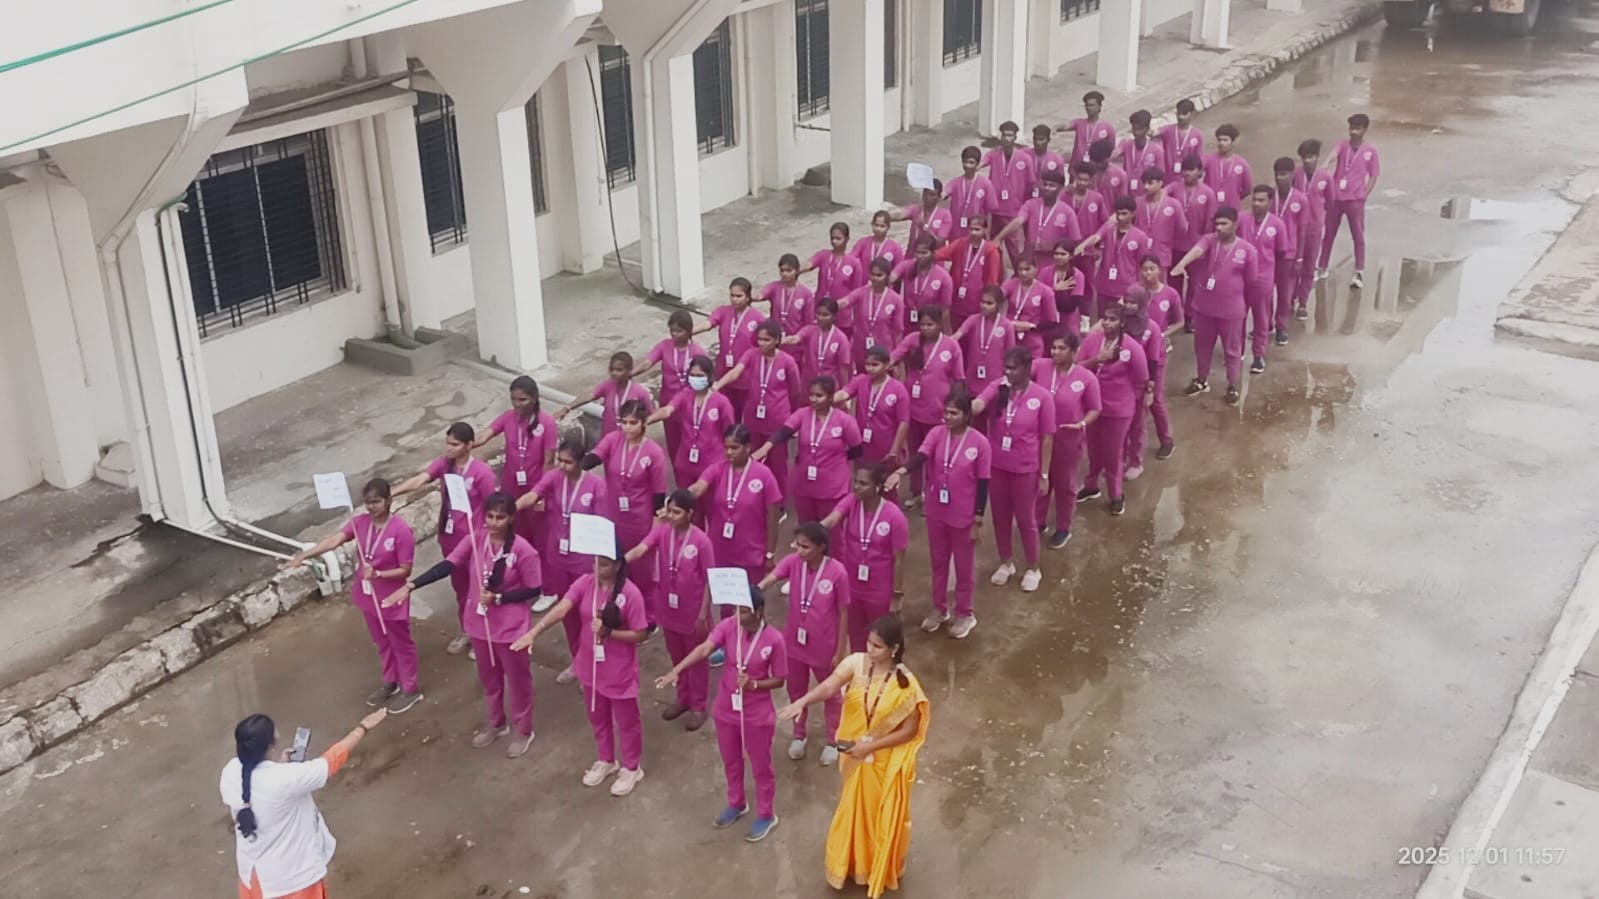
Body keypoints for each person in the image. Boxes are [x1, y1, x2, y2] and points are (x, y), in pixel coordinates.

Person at [779, 616, 930, 899]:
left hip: (883, 761)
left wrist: (872, 746)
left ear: (894, 649)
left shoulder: (906, 683)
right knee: (853, 809)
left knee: (878, 816)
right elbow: (829, 686)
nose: (870, 650)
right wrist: (803, 701)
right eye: (869, 643)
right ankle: (851, 865)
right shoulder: (856, 663)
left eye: (878, 646)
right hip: (853, 756)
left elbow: (910, 730)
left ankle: (876, 867)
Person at [396, 493, 541, 756]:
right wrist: (412, 585)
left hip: (511, 629)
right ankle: (496, 723)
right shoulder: (475, 540)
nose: (493, 523)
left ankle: (524, 729)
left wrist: (500, 598)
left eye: (500, 517)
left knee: (519, 682)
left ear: (511, 519)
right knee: (489, 679)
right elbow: (448, 565)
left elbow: (534, 589)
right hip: (479, 625)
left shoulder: (523, 550)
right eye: (490, 516)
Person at [514, 543, 649, 795]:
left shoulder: (630, 594)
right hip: (589, 665)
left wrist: (610, 633)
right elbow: (562, 608)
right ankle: (606, 759)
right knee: (597, 716)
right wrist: (535, 631)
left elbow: (640, 634)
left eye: (604, 564)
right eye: (595, 561)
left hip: (618, 669)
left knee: (627, 722)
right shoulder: (585, 583)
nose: (597, 568)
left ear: (617, 565)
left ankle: (632, 767)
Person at [661, 589, 790, 846]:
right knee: (730, 760)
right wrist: (678, 669)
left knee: (761, 767)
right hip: (726, 708)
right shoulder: (729, 626)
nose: (739, 616)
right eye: (737, 610)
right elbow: (705, 648)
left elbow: (779, 680)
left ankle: (766, 814)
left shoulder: (774, 640)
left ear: (759, 611)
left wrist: (754, 684)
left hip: (756, 714)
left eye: (745, 611)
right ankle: (736, 802)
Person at [284, 479, 421, 713]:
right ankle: (391, 681)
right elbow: (334, 540)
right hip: (368, 596)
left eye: (376, 501)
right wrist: (305, 556)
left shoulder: (401, 530)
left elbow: (405, 570)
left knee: (401, 643)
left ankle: (411, 688)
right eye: (367, 502)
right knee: (381, 641)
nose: (371, 507)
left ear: (388, 500)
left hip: (392, 595)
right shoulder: (360, 523)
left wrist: (378, 574)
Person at [222, 708, 389, 899]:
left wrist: (281, 766)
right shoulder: (287, 779)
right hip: (293, 882)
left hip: (254, 879)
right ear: (271, 744)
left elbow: (263, 786)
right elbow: (330, 762)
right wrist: (362, 728)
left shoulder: (230, 772)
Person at [884, 395, 991, 637]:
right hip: (937, 512)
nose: (948, 417)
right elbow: (921, 456)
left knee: (964, 568)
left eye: (954, 413)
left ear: (966, 415)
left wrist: (978, 518)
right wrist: (901, 471)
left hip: (964, 515)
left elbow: (983, 482)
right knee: (939, 562)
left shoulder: (980, 443)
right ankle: (939, 608)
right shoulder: (936, 434)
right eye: (946, 412)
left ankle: (965, 613)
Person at [392, 422, 496, 657]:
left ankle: (483, 634)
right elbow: (421, 479)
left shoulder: (482, 473)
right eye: (447, 443)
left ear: (469, 445)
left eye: (455, 444)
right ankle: (466, 629)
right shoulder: (444, 465)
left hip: (475, 540)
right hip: (450, 538)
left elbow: (494, 507)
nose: (449, 448)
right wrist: (392, 493)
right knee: (460, 588)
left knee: (478, 587)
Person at [516, 436, 608, 683]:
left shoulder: (596, 486)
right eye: (560, 460)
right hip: (558, 557)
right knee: (567, 614)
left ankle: (595, 660)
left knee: (588, 613)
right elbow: (534, 494)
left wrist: (602, 564)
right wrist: (512, 507)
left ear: (580, 462)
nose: (562, 466)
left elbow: (602, 527)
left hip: (584, 562)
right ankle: (577, 660)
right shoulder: (555, 477)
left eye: (568, 462)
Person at [759, 522, 851, 766]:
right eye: (797, 545)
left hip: (824, 645)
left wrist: (840, 650)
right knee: (796, 690)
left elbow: (844, 613)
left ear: (821, 547)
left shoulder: (837, 572)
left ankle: (833, 739)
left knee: (830, 693)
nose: (799, 551)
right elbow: (771, 578)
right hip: (794, 644)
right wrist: (754, 590)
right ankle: (799, 734)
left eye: (805, 547)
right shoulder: (793, 563)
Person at [971, 346, 1055, 592]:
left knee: (1026, 519)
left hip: (1025, 468)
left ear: (1027, 368)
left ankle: (1033, 567)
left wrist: (1044, 474)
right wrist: (967, 405)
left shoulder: (1042, 397)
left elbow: (1047, 438)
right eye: (1005, 368)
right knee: (1000, 517)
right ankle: (1006, 562)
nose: (1008, 372)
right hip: (997, 465)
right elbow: (978, 405)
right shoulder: (998, 387)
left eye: (1013, 368)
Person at [630, 490, 714, 731]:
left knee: (696, 660)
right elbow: (642, 548)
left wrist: (703, 614)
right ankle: (683, 697)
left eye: (676, 512)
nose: (671, 516)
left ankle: (698, 706)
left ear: (690, 513)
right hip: (667, 607)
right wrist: (619, 560)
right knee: (676, 656)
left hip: (693, 611)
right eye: (669, 511)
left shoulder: (701, 541)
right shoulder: (662, 531)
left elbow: (710, 580)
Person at [583, 401, 669, 616]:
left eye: (633, 423)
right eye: (624, 422)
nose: (627, 427)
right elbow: (595, 457)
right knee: (618, 569)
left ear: (644, 423)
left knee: (642, 572)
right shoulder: (613, 440)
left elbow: (659, 494)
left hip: (640, 521)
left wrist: (655, 527)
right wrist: (576, 463)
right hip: (613, 518)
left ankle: (649, 616)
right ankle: (623, 611)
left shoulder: (654, 453)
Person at [1172, 206, 1258, 406]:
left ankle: (1232, 386)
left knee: (1232, 350)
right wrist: (1182, 264)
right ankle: (1201, 380)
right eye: (1216, 224)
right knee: (1202, 347)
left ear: (1235, 225)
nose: (1219, 228)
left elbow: (1251, 280)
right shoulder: (1210, 240)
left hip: (1231, 311)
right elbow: (1197, 250)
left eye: (1224, 224)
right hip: (1204, 308)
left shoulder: (1247, 250)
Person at [821, 464, 909, 650]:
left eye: (863, 483)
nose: (856, 487)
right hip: (853, 586)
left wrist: (896, 595)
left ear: (877, 486)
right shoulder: (851, 502)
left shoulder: (894, 517)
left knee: (880, 639)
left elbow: (899, 560)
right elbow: (832, 519)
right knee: (856, 636)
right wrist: (812, 532)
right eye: (855, 481)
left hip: (879, 590)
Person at [688, 425, 785, 586]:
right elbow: (698, 488)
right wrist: (678, 499)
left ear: (747, 447)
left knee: (749, 598)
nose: (729, 452)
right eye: (726, 447)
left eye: (734, 447)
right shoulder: (718, 469)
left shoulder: (764, 475)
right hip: (721, 550)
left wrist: (770, 554)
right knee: (723, 598)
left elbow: (772, 518)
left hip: (751, 552)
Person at [1077, 304, 1148, 516]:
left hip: (1118, 409)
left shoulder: (1132, 348)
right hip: (1092, 405)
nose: (1107, 323)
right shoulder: (1093, 340)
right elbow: (1077, 367)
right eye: (1105, 318)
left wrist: (1128, 399)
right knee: (1093, 449)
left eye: (1112, 319)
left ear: (1122, 323)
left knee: (1113, 453)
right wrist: (1097, 359)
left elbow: (1142, 378)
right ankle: (1091, 486)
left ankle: (1116, 495)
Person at [889, 307, 964, 507]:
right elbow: (893, 357)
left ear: (939, 325)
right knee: (915, 452)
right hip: (913, 409)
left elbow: (958, 379)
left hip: (938, 411)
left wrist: (956, 407)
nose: (925, 328)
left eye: (930, 324)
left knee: (935, 456)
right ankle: (916, 493)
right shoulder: (912, 340)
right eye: (922, 324)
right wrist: (890, 367)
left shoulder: (951, 346)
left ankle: (934, 494)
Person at [717, 320, 803, 487]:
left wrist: (792, 418)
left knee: (778, 465)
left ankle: (778, 499)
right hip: (753, 420)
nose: (762, 343)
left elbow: (795, 392)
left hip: (777, 421)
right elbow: (736, 371)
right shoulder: (752, 354)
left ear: (777, 340)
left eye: (766, 340)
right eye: (760, 339)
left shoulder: (787, 362)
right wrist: (718, 385)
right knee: (752, 459)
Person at [1033, 334, 1100, 548]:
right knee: (1041, 479)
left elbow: (1095, 409)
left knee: (1065, 485)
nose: (1055, 352)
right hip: (1040, 438)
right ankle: (1038, 521)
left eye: (1061, 348)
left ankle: (1063, 527)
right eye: (1053, 347)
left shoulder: (1086, 378)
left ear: (1074, 351)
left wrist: (1081, 424)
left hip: (1068, 440)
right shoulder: (1040, 366)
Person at [649, 355, 736, 492]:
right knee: (686, 500)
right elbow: (667, 410)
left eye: (700, 375)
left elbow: (730, 432)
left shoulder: (721, 402)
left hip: (711, 462)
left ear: (709, 376)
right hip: (686, 461)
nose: (695, 378)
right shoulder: (685, 395)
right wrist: (647, 420)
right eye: (693, 375)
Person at [632, 311, 707, 461]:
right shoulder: (664, 346)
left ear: (689, 331)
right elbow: (648, 362)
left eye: (679, 331)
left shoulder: (697, 352)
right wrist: (632, 372)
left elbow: (706, 377)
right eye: (672, 330)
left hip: (689, 403)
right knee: (673, 441)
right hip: (668, 401)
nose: (674, 334)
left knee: (690, 438)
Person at [1319, 113, 1380, 289]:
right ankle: (1322, 267)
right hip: (1336, 198)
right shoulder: (1342, 145)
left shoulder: (1370, 151)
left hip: (1355, 200)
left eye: (1357, 129)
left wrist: (1364, 194)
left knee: (1358, 236)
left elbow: (1374, 175)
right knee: (1329, 234)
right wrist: (1326, 163)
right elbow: (1334, 154)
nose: (1353, 132)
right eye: (1352, 128)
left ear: (1364, 130)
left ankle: (1359, 271)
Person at [1237, 185, 1291, 375]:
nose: (1256, 204)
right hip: (1241, 277)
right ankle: (1237, 351)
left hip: (1263, 280)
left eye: (1261, 200)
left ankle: (1258, 356)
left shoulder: (1277, 225)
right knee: (1238, 316)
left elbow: (1281, 252)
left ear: (1270, 202)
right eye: (1254, 200)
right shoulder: (1242, 219)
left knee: (1261, 319)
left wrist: (1273, 277)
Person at [1074, 195, 1154, 319]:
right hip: (1104, 285)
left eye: (1124, 214)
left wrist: (1139, 287)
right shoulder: (1108, 229)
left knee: (1123, 322)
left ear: (1133, 214)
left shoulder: (1140, 237)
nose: (1120, 217)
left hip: (1126, 288)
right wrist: (1082, 245)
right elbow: (1096, 237)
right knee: (1103, 320)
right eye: (1118, 213)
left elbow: (1142, 264)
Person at [700, 277, 768, 419]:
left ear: (748, 297)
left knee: (746, 415)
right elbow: (708, 324)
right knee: (726, 414)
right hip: (723, 373)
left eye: (739, 296)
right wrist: (689, 331)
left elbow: (764, 345)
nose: (735, 299)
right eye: (732, 295)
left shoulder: (757, 318)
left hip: (746, 377)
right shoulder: (723, 311)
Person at [994, 167, 1081, 274]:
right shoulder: (1031, 204)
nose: (1047, 188)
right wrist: (999, 237)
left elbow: (1075, 241)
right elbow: (1018, 221)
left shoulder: (1068, 212)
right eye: (1045, 184)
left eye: (1052, 186)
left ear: (1060, 188)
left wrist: (1054, 247)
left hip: (1053, 265)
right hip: (1031, 263)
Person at [1119, 291, 1167, 482]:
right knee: (1120, 424)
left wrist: (1149, 389)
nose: (1129, 306)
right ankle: (1119, 460)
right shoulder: (1120, 322)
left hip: (1141, 380)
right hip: (1122, 380)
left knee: (1137, 425)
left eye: (1133, 302)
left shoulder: (1151, 328)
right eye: (1126, 301)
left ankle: (1136, 462)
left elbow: (1153, 360)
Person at [837, 347, 911, 469]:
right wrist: (827, 400)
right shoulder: (861, 380)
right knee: (861, 477)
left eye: (875, 365)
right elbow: (844, 393)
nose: (870, 368)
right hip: (862, 446)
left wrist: (894, 451)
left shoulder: (898, 389)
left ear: (887, 365)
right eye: (867, 364)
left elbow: (903, 422)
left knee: (884, 479)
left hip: (886, 448)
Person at [1269, 158, 1313, 346]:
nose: (1280, 178)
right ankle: (1266, 324)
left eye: (1284, 174)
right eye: (1277, 174)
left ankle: (1281, 327)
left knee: (1285, 293)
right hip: (1269, 252)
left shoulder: (1301, 200)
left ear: (1292, 175)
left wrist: (1300, 257)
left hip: (1289, 253)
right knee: (1266, 291)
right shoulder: (1270, 197)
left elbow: (1302, 230)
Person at [559, 351, 655, 437]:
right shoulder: (608, 385)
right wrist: (567, 408)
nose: (614, 373)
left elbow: (650, 415)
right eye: (611, 369)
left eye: (619, 370)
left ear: (629, 370)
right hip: (608, 439)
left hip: (629, 441)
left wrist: (636, 428)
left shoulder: (640, 392)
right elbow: (590, 395)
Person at [933, 215, 1004, 328]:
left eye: (977, 229)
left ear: (985, 230)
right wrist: (925, 255)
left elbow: (992, 280)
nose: (973, 233)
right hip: (957, 299)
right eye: (971, 229)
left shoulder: (991, 251)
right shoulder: (960, 244)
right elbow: (941, 254)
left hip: (977, 302)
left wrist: (988, 304)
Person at [1169, 154, 1217, 321]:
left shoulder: (1208, 193)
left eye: (1191, 170)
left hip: (1196, 246)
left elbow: (1210, 220)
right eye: (1185, 170)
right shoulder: (1175, 188)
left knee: (1194, 284)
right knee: (1174, 281)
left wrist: (1204, 244)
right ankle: (1175, 315)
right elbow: (1161, 194)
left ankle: (1190, 316)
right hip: (1176, 244)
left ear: (1200, 172)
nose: (1187, 173)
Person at [980, 121, 1035, 265]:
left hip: (1012, 211)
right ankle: (996, 274)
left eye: (1010, 135)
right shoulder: (994, 154)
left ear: (1015, 137)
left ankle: (1019, 273)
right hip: (994, 209)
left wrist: (1022, 205)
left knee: (1014, 250)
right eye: (1004, 135)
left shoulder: (1025, 158)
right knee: (991, 246)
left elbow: (1030, 183)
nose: (1006, 138)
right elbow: (982, 162)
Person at [1294, 138, 1335, 316]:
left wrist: (1319, 216)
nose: (1307, 161)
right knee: (1294, 264)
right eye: (1304, 157)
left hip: (1314, 228)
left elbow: (1330, 202)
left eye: (1310, 157)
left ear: (1317, 157)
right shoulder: (1296, 174)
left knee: (1309, 265)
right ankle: (1290, 298)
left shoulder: (1325, 177)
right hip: (1296, 227)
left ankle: (1303, 303)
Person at [838, 258, 906, 366]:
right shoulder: (860, 293)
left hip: (883, 353)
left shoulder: (896, 300)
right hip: (861, 350)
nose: (875, 278)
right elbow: (845, 301)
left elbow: (898, 332)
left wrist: (897, 359)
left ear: (887, 276)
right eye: (873, 274)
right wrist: (829, 305)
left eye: (879, 275)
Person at [804, 222, 867, 336]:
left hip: (842, 315)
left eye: (838, 238)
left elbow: (856, 293)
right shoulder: (823, 255)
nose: (834, 241)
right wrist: (794, 270)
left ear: (847, 239)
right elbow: (809, 264)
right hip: (821, 312)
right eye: (832, 238)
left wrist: (857, 319)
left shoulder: (854, 263)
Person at [893, 236, 955, 333]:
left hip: (930, 326)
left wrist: (947, 334)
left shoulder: (944, 278)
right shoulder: (907, 266)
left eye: (924, 253)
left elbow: (945, 311)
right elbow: (893, 275)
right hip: (908, 322)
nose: (920, 256)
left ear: (933, 253)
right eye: (917, 252)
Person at [1001, 256, 1058, 357]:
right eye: (1020, 269)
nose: (1023, 273)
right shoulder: (1010, 284)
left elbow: (1052, 321)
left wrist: (1030, 327)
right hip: (1010, 334)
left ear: (1036, 269)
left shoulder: (1045, 291)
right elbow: (996, 297)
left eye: (1027, 269)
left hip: (1033, 337)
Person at [1135, 167, 1188, 275]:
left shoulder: (1173, 205)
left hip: (1162, 254)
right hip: (1139, 254)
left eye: (1150, 183)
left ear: (1160, 183)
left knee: (1160, 283)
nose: (1146, 186)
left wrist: (1167, 241)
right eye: (1144, 183)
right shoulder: (1137, 203)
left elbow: (1182, 229)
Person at [760, 253, 815, 342]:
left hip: (796, 343)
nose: (784, 274)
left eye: (789, 271)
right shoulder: (774, 287)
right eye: (782, 270)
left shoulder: (806, 294)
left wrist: (798, 336)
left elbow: (809, 324)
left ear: (797, 271)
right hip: (775, 341)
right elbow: (760, 295)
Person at [944, 145, 997, 236]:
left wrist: (987, 231)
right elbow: (944, 193)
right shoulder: (955, 182)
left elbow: (989, 211)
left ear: (977, 164)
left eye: (971, 162)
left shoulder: (986, 184)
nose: (967, 165)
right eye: (965, 162)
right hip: (955, 231)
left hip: (975, 232)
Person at [887, 180, 954, 251]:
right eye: (926, 193)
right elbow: (899, 214)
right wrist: (884, 215)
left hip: (932, 256)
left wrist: (924, 228)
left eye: (932, 194)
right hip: (912, 255)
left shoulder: (945, 215)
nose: (927, 197)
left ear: (939, 197)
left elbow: (939, 243)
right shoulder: (915, 209)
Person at [1059, 90, 1117, 168]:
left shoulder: (1108, 128)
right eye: (1086, 105)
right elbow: (1066, 125)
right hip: (1076, 167)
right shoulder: (1079, 123)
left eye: (1091, 105)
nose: (1088, 108)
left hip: (1095, 168)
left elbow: (1111, 151)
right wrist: (1056, 127)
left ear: (1099, 106)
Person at [1041, 239, 1085, 341]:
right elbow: (1038, 297)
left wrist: (1051, 294)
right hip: (1047, 321)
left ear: (1071, 256)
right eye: (1056, 254)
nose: (1059, 257)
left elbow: (1071, 306)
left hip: (1068, 323)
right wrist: (1055, 289)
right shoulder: (1044, 272)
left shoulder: (1078, 276)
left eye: (1063, 254)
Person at [1203, 124, 1253, 207]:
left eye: (1225, 140)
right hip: (1211, 207)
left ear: (1233, 142)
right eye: (1219, 140)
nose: (1222, 143)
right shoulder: (1207, 160)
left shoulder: (1241, 163)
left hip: (1232, 209)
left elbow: (1247, 189)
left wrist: (1235, 197)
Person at [1157, 98, 1204, 185]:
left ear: (1191, 114)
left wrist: (1198, 175)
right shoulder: (1168, 130)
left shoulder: (1197, 135)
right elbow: (1155, 133)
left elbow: (1199, 157)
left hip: (1187, 179)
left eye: (1184, 114)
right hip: (1168, 178)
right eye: (1178, 114)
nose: (1180, 117)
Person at [851, 209, 906, 274]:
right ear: (872, 224)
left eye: (882, 226)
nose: (878, 229)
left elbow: (899, 271)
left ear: (888, 227)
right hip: (862, 280)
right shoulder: (862, 242)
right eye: (876, 225)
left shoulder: (895, 248)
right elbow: (850, 260)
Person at [1117, 109, 1166, 178]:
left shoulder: (1157, 150)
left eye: (1139, 129)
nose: (1136, 132)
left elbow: (1160, 175)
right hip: (1128, 184)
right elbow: (1114, 155)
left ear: (1147, 129)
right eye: (1134, 128)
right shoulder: (1126, 144)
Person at [1022, 123, 1068, 195]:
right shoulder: (1023, 155)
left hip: (1047, 196)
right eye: (1035, 139)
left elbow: (1061, 184)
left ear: (1048, 140)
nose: (1037, 142)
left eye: (1041, 139)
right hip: (1026, 195)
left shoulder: (1056, 159)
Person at [1087, 137, 1130, 202]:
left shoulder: (1120, 175)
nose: (1097, 165)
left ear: (1108, 157)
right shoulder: (1087, 173)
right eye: (1095, 162)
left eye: (1100, 162)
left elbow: (1123, 201)